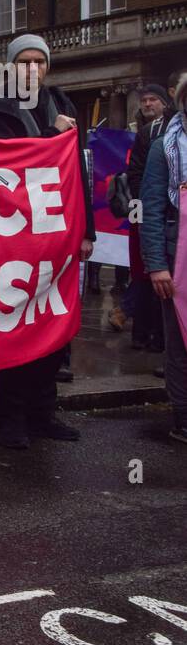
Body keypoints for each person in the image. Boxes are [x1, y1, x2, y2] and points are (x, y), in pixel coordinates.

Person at [0, 34, 95, 448]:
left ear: (47, 67)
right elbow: (4, 163)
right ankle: (8, 420)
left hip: (58, 233)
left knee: (53, 326)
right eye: (23, 61)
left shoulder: (62, 103)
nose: (32, 69)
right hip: (12, 234)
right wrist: (49, 135)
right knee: (13, 325)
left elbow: (78, 170)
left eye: (38, 62)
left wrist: (87, 230)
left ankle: (43, 413)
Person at [138, 95, 187, 446]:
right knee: (181, 345)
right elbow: (150, 207)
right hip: (177, 257)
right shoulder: (163, 147)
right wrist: (156, 264)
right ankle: (183, 419)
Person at [119, 84, 174, 350]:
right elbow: (136, 173)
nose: (148, 104)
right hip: (145, 208)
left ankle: (153, 333)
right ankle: (143, 331)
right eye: (144, 100)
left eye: (154, 99)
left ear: (166, 102)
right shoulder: (144, 132)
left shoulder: (170, 129)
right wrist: (142, 210)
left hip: (168, 211)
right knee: (142, 269)